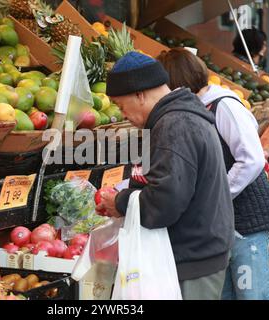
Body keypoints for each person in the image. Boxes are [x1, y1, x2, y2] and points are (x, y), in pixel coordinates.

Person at [95, 51, 235, 300]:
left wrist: (120, 202)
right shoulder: (180, 117)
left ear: (139, 94)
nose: (122, 114)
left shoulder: (175, 125)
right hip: (198, 253)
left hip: (192, 260)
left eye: (120, 105)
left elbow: (165, 203)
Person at [157, 48, 269, 300]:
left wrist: (217, 194)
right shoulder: (192, 111)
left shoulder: (223, 105)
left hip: (249, 224)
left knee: (254, 296)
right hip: (220, 230)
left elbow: (252, 158)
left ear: (174, 81)